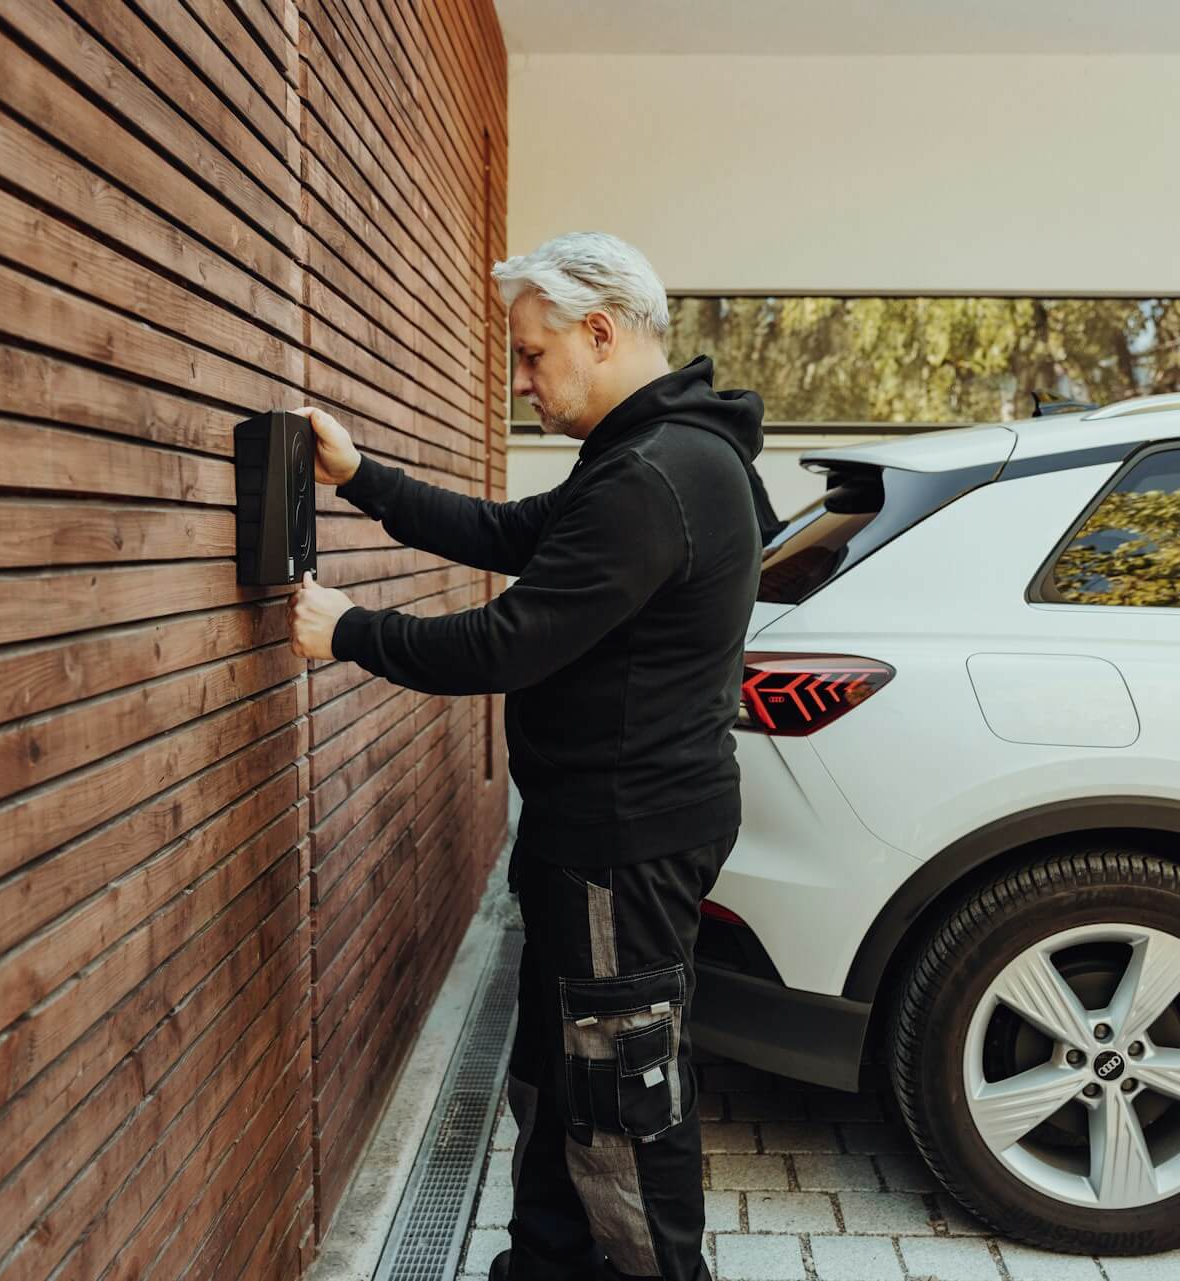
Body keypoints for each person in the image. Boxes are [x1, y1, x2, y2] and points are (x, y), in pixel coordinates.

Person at [286, 232, 774, 1280]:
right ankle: (545, 1263)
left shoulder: (658, 473)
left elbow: (510, 641)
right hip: (604, 834)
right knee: (564, 1075)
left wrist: (350, 631)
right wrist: (361, 476)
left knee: (621, 1096)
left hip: (619, 843)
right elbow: (513, 535)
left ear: (600, 334)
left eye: (532, 355)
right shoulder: (655, 456)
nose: (520, 380)